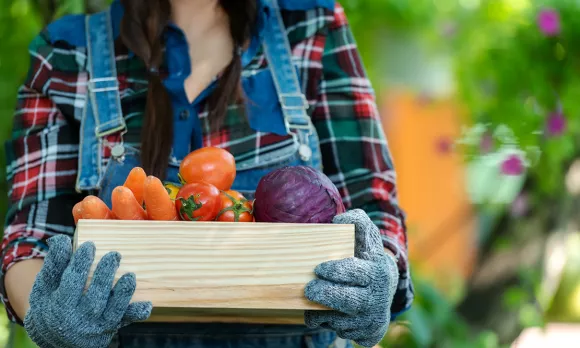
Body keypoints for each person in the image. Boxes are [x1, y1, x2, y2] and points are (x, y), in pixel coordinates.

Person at [1, 0, 414, 347]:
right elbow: (28, 241)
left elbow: (374, 206)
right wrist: (48, 314)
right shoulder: (66, 53)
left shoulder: (311, 27)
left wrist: (379, 278)